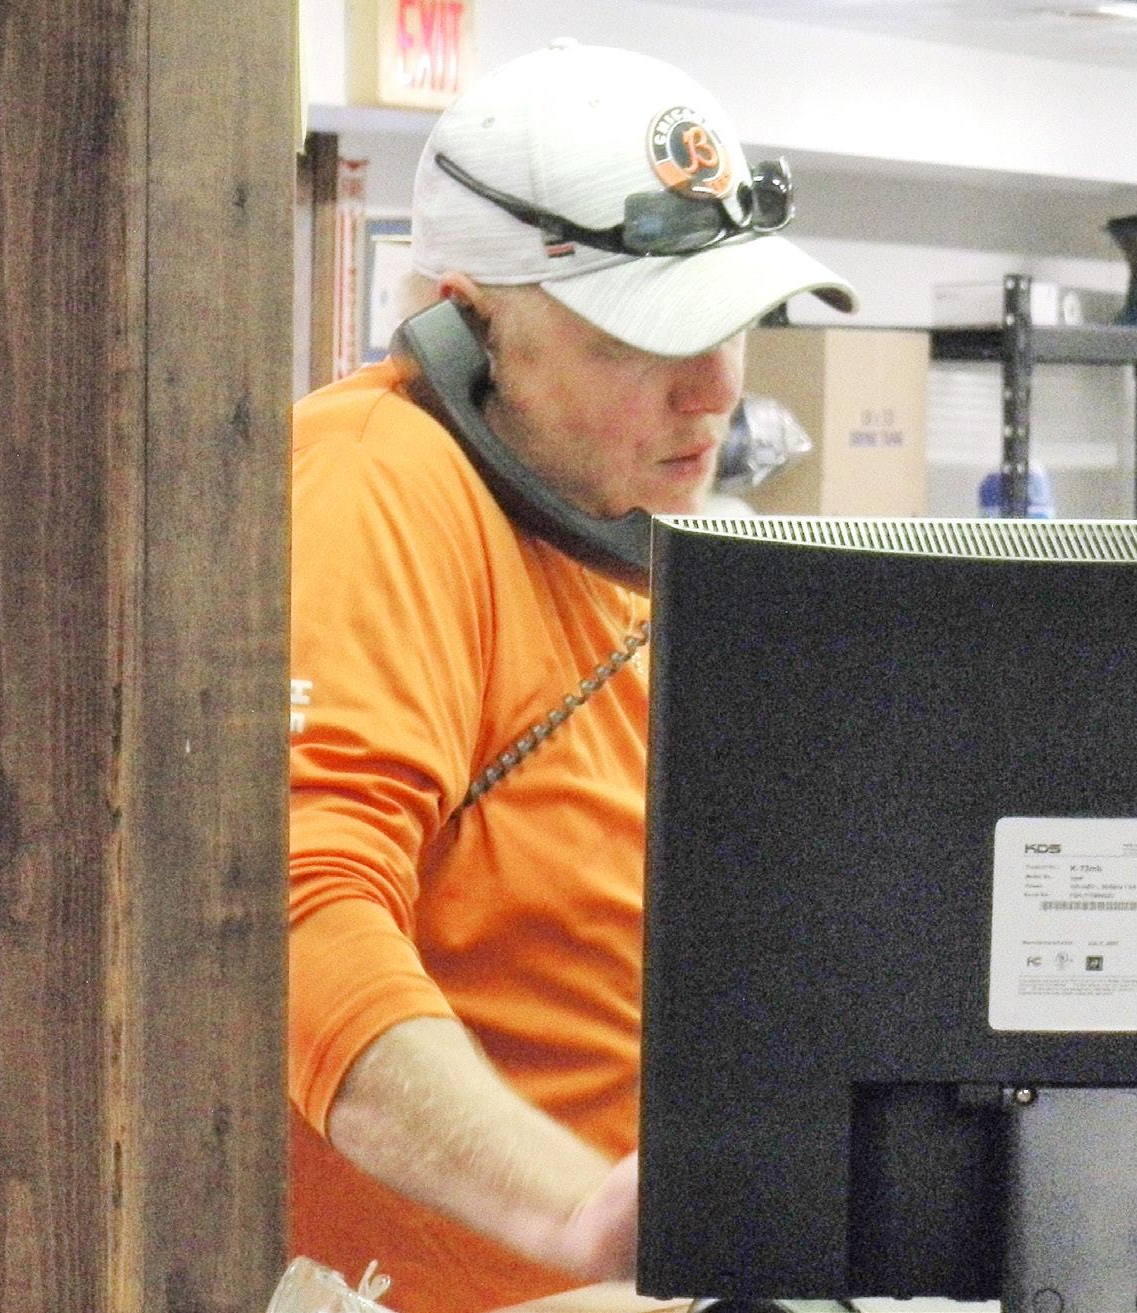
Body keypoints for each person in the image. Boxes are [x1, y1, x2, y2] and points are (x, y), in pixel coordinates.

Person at [285, 39, 856, 1313]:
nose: (712, 391)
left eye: (732, 324)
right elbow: (299, 914)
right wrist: (573, 1211)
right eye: (639, 342)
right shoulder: (380, 482)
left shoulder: (615, 528)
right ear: (467, 324)